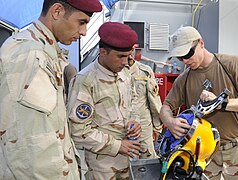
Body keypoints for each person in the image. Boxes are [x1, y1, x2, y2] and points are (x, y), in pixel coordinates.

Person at [0, 0, 102, 179]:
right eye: (82, 22)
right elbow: (32, 152)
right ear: (57, 11)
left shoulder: (46, 52)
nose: (84, 32)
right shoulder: (32, 55)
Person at [160, 26, 238, 180]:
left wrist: (222, 103)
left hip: (236, 150)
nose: (185, 60)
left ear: (201, 43)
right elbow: (165, 107)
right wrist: (170, 122)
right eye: (180, 57)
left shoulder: (232, 65)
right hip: (203, 153)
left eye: (188, 54)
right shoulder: (183, 80)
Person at [67, 22, 142, 180]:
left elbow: (133, 102)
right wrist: (118, 146)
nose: (125, 62)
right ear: (102, 52)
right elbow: (79, 131)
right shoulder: (85, 81)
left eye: (128, 56)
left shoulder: (125, 74)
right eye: (120, 56)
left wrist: (135, 122)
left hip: (129, 161)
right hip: (103, 167)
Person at [127, 46, 163, 158]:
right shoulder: (114, 72)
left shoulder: (144, 72)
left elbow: (154, 102)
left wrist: (157, 127)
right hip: (120, 128)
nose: (129, 54)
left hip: (143, 127)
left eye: (132, 50)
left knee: (148, 162)